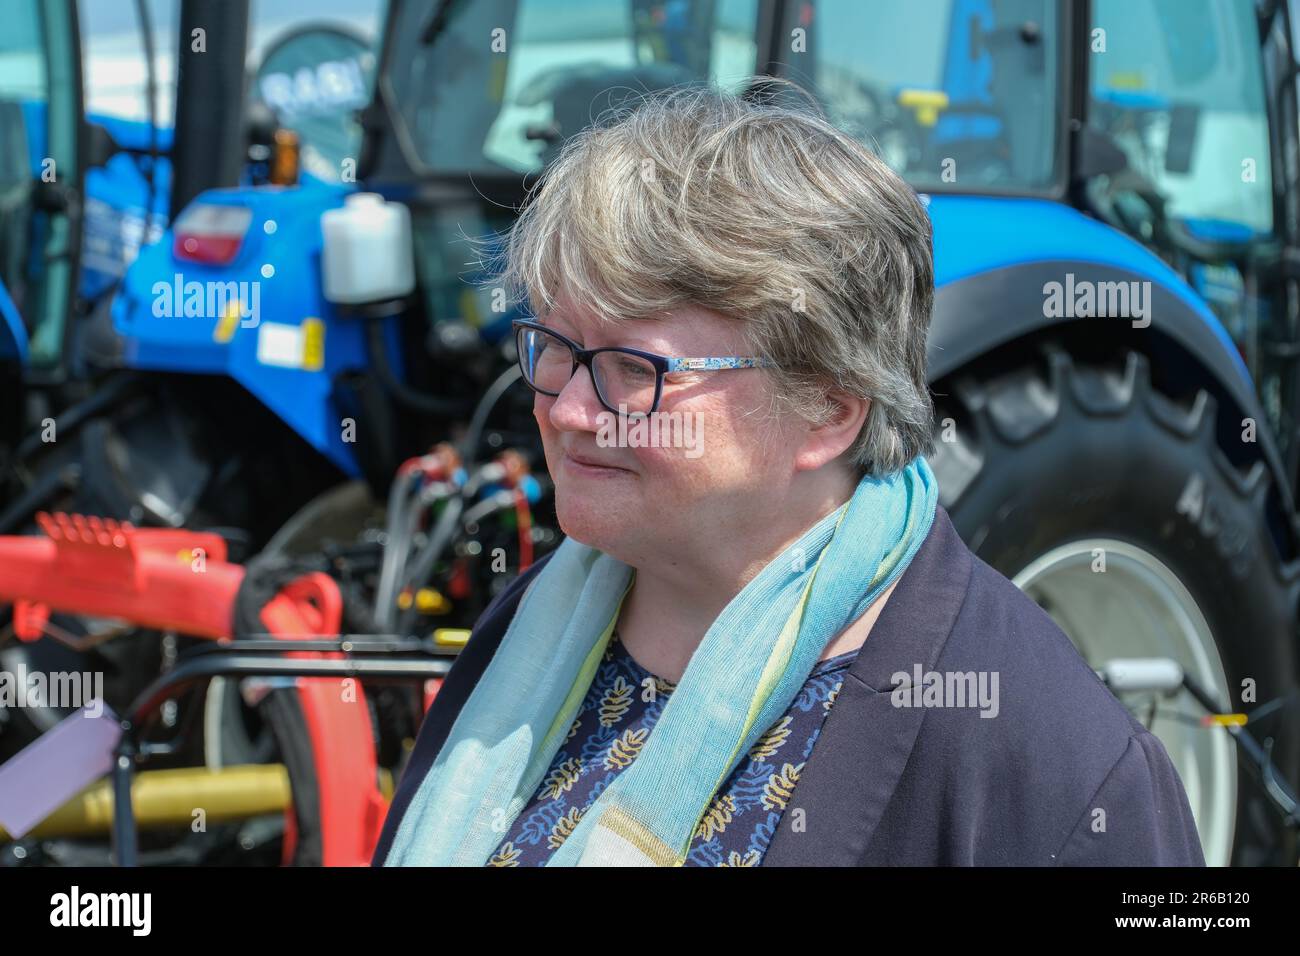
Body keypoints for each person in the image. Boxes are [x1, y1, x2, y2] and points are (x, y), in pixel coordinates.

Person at [375, 84, 1205, 867]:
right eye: (555, 348)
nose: (566, 411)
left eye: (634, 370)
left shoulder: (1043, 759)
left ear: (828, 408)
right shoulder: (533, 627)